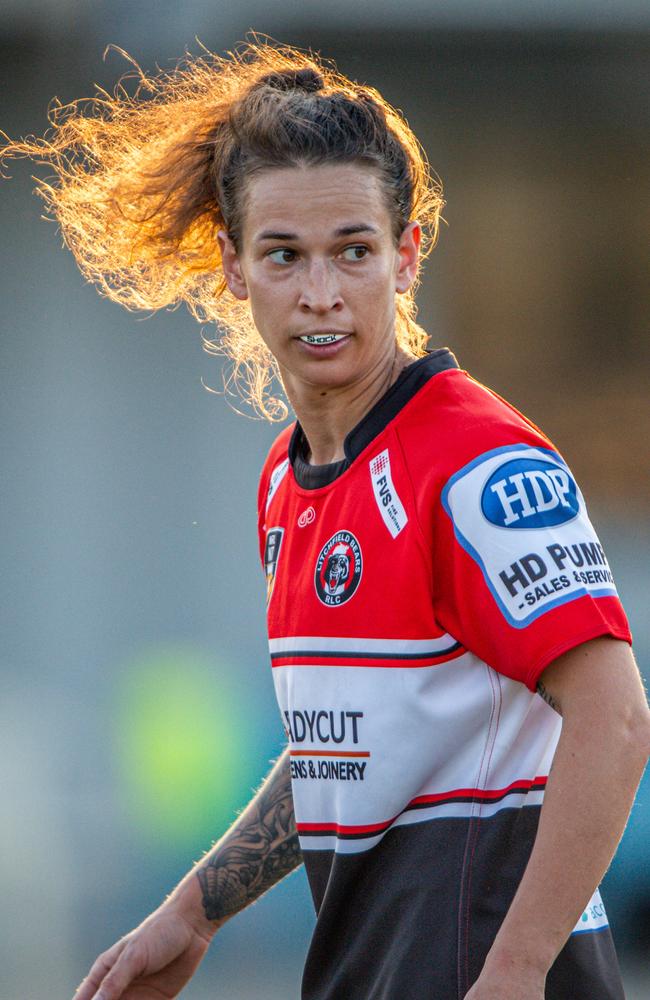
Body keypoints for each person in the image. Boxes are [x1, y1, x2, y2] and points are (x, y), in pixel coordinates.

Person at [3, 40, 649, 1000]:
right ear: (232, 265)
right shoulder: (286, 481)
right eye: (284, 255)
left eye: (354, 250)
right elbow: (346, 752)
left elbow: (617, 715)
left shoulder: (479, 463)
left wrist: (517, 970)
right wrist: (194, 907)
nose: (321, 294)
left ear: (407, 254)